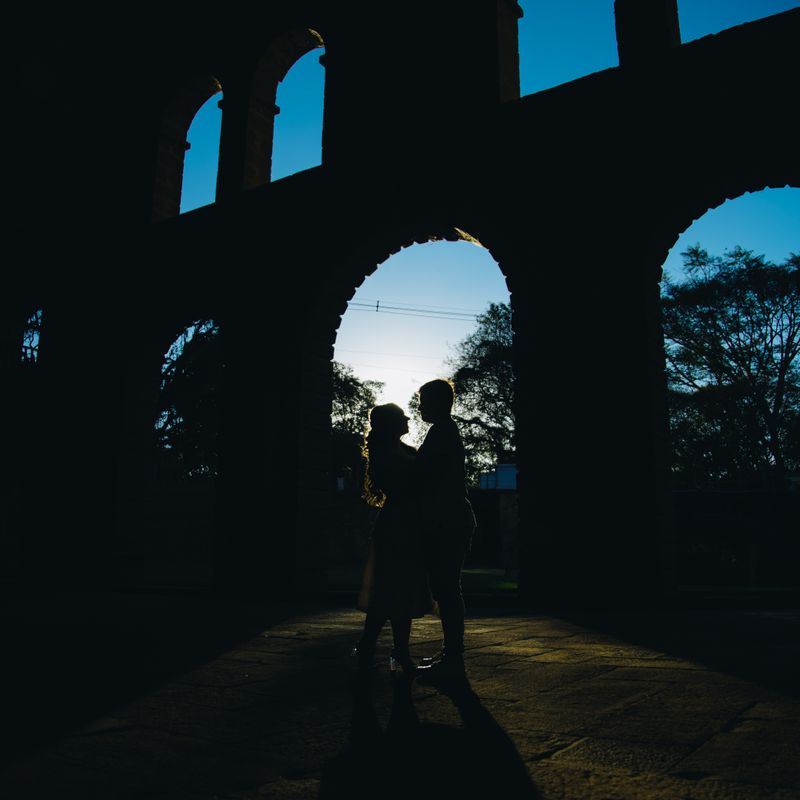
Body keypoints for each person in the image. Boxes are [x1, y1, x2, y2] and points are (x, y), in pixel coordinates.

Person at [352, 403, 432, 677]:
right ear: (390, 424)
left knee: (399, 590)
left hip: (409, 523)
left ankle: (382, 647)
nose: (408, 419)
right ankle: (383, 648)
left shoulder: (399, 451)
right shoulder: (387, 454)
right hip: (398, 524)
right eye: (402, 417)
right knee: (390, 590)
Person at [413, 379, 476, 683]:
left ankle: (453, 657)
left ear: (439, 402)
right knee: (447, 588)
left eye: (423, 400)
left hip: (448, 521)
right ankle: (451, 653)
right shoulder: (443, 431)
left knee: (447, 589)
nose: (420, 406)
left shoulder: (441, 433)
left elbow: (423, 474)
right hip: (452, 519)